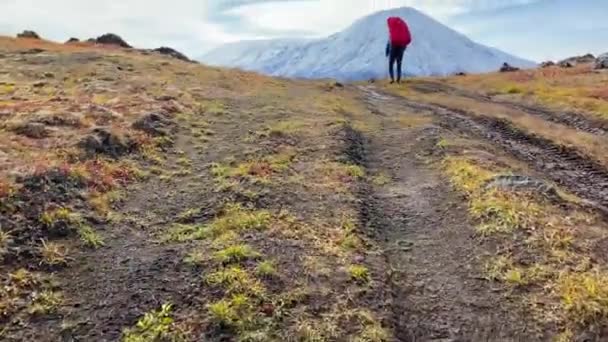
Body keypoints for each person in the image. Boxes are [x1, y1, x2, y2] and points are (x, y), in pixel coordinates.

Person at [386, 17, 412, 84]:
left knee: (391, 63)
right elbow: (406, 40)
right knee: (399, 64)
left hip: (394, 46)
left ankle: (392, 79)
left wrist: (387, 51)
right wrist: (403, 48)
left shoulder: (392, 32)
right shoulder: (402, 31)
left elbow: (389, 42)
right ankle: (398, 79)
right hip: (401, 47)